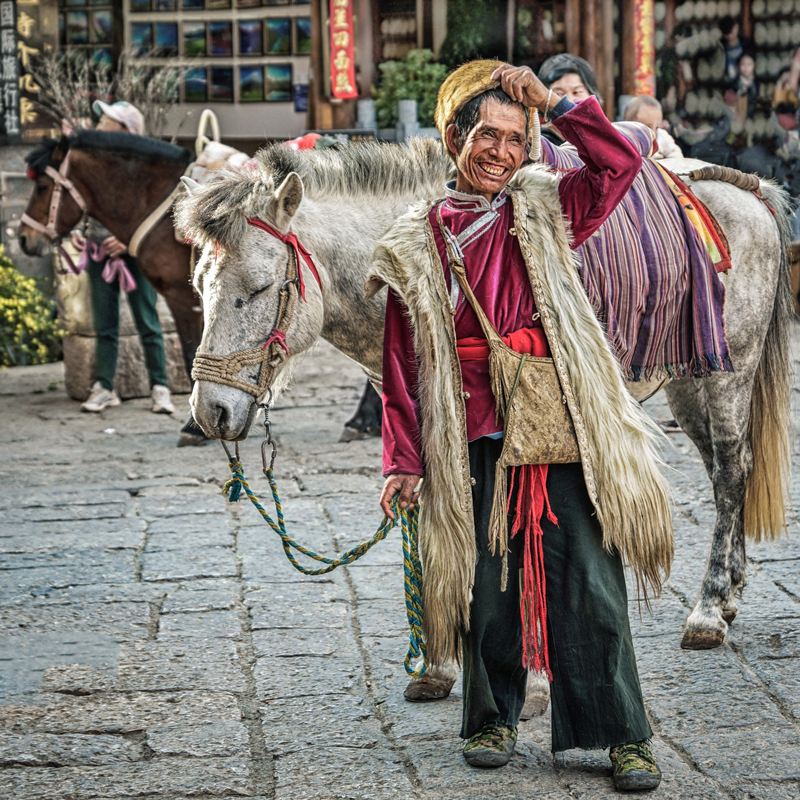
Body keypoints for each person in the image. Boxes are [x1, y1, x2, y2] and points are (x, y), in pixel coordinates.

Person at [370, 60, 673, 792]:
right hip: (468, 428)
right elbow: (401, 361)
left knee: (591, 581)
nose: (500, 151)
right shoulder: (418, 240)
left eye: (514, 136)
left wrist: (556, 104)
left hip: (554, 419)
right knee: (485, 587)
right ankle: (490, 719)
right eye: (486, 134)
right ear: (453, 137)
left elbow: (621, 161)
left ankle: (622, 733)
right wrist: (401, 461)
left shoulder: (548, 204)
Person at [73, 101, 175, 415]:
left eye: (107, 120)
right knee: (105, 324)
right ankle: (104, 387)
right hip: (98, 251)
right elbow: (79, 202)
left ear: (125, 130)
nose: (100, 123)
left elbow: (156, 213)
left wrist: (126, 239)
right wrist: (78, 230)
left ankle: (160, 388)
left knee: (148, 320)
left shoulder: (145, 166)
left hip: (135, 255)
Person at [536, 53, 600, 145]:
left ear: (592, 95)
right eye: (559, 94)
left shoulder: (604, 139)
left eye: (577, 92)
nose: (569, 100)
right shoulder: (540, 144)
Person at [624, 94, 683, 159]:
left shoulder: (662, 136)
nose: (654, 133)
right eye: (648, 127)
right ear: (628, 126)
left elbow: (676, 154)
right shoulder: (625, 139)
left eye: (657, 127)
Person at [719, 15, 752, 87]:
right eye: (726, 34)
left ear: (736, 27)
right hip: (726, 84)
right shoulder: (721, 46)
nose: (729, 36)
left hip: (744, 82)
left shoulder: (745, 43)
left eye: (730, 32)